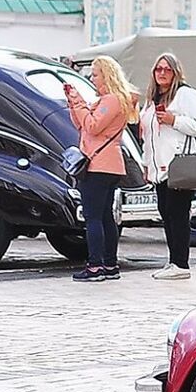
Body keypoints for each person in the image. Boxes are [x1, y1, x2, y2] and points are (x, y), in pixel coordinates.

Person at [65, 56, 139, 282]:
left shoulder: (112, 100)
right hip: (108, 164)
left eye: (95, 74)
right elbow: (80, 124)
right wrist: (73, 102)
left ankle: (96, 265)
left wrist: (78, 102)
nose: (91, 78)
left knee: (93, 217)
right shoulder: (107, 100)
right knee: (105, 216)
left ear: (107, 75)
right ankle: (109, 264)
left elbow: (92, 126)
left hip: (100, 165)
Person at [137, 52, 196, 279]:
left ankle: (181, 263)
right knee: (166, 213)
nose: (161, 73)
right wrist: (145, 163)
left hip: (179, 164)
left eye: (166, 69)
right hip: (159, 168)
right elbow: (148, 135)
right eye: (158, 69)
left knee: (178, 215)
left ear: (175, 72)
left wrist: (174, 120)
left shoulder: (185, 95)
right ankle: (173, 261)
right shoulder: (152, 99)